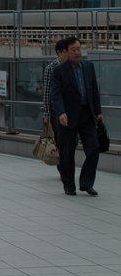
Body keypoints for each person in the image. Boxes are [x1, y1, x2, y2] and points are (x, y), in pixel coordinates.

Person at [51, 36, 103, 196]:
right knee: (67, 153)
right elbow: (56, 95)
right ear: (66, 51)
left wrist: (98, 112)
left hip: (87, 115)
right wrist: (61, 113)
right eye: (73, 50)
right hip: (68, 117)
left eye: (79, 49)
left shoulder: (88, 67)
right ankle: (69, 185)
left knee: (94, 147)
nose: (77, 52)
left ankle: (86, 183)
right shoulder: (59, 70)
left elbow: (94, 90)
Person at [43, 38, 70, 139]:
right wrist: (46, 113)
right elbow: (47, 91)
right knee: (60, 138)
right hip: (56, 110)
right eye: (65, 52)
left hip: (71, 109)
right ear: (59, 52)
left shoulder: (73, 66)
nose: (68, 55)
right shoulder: (51, 68)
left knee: (73, 139)